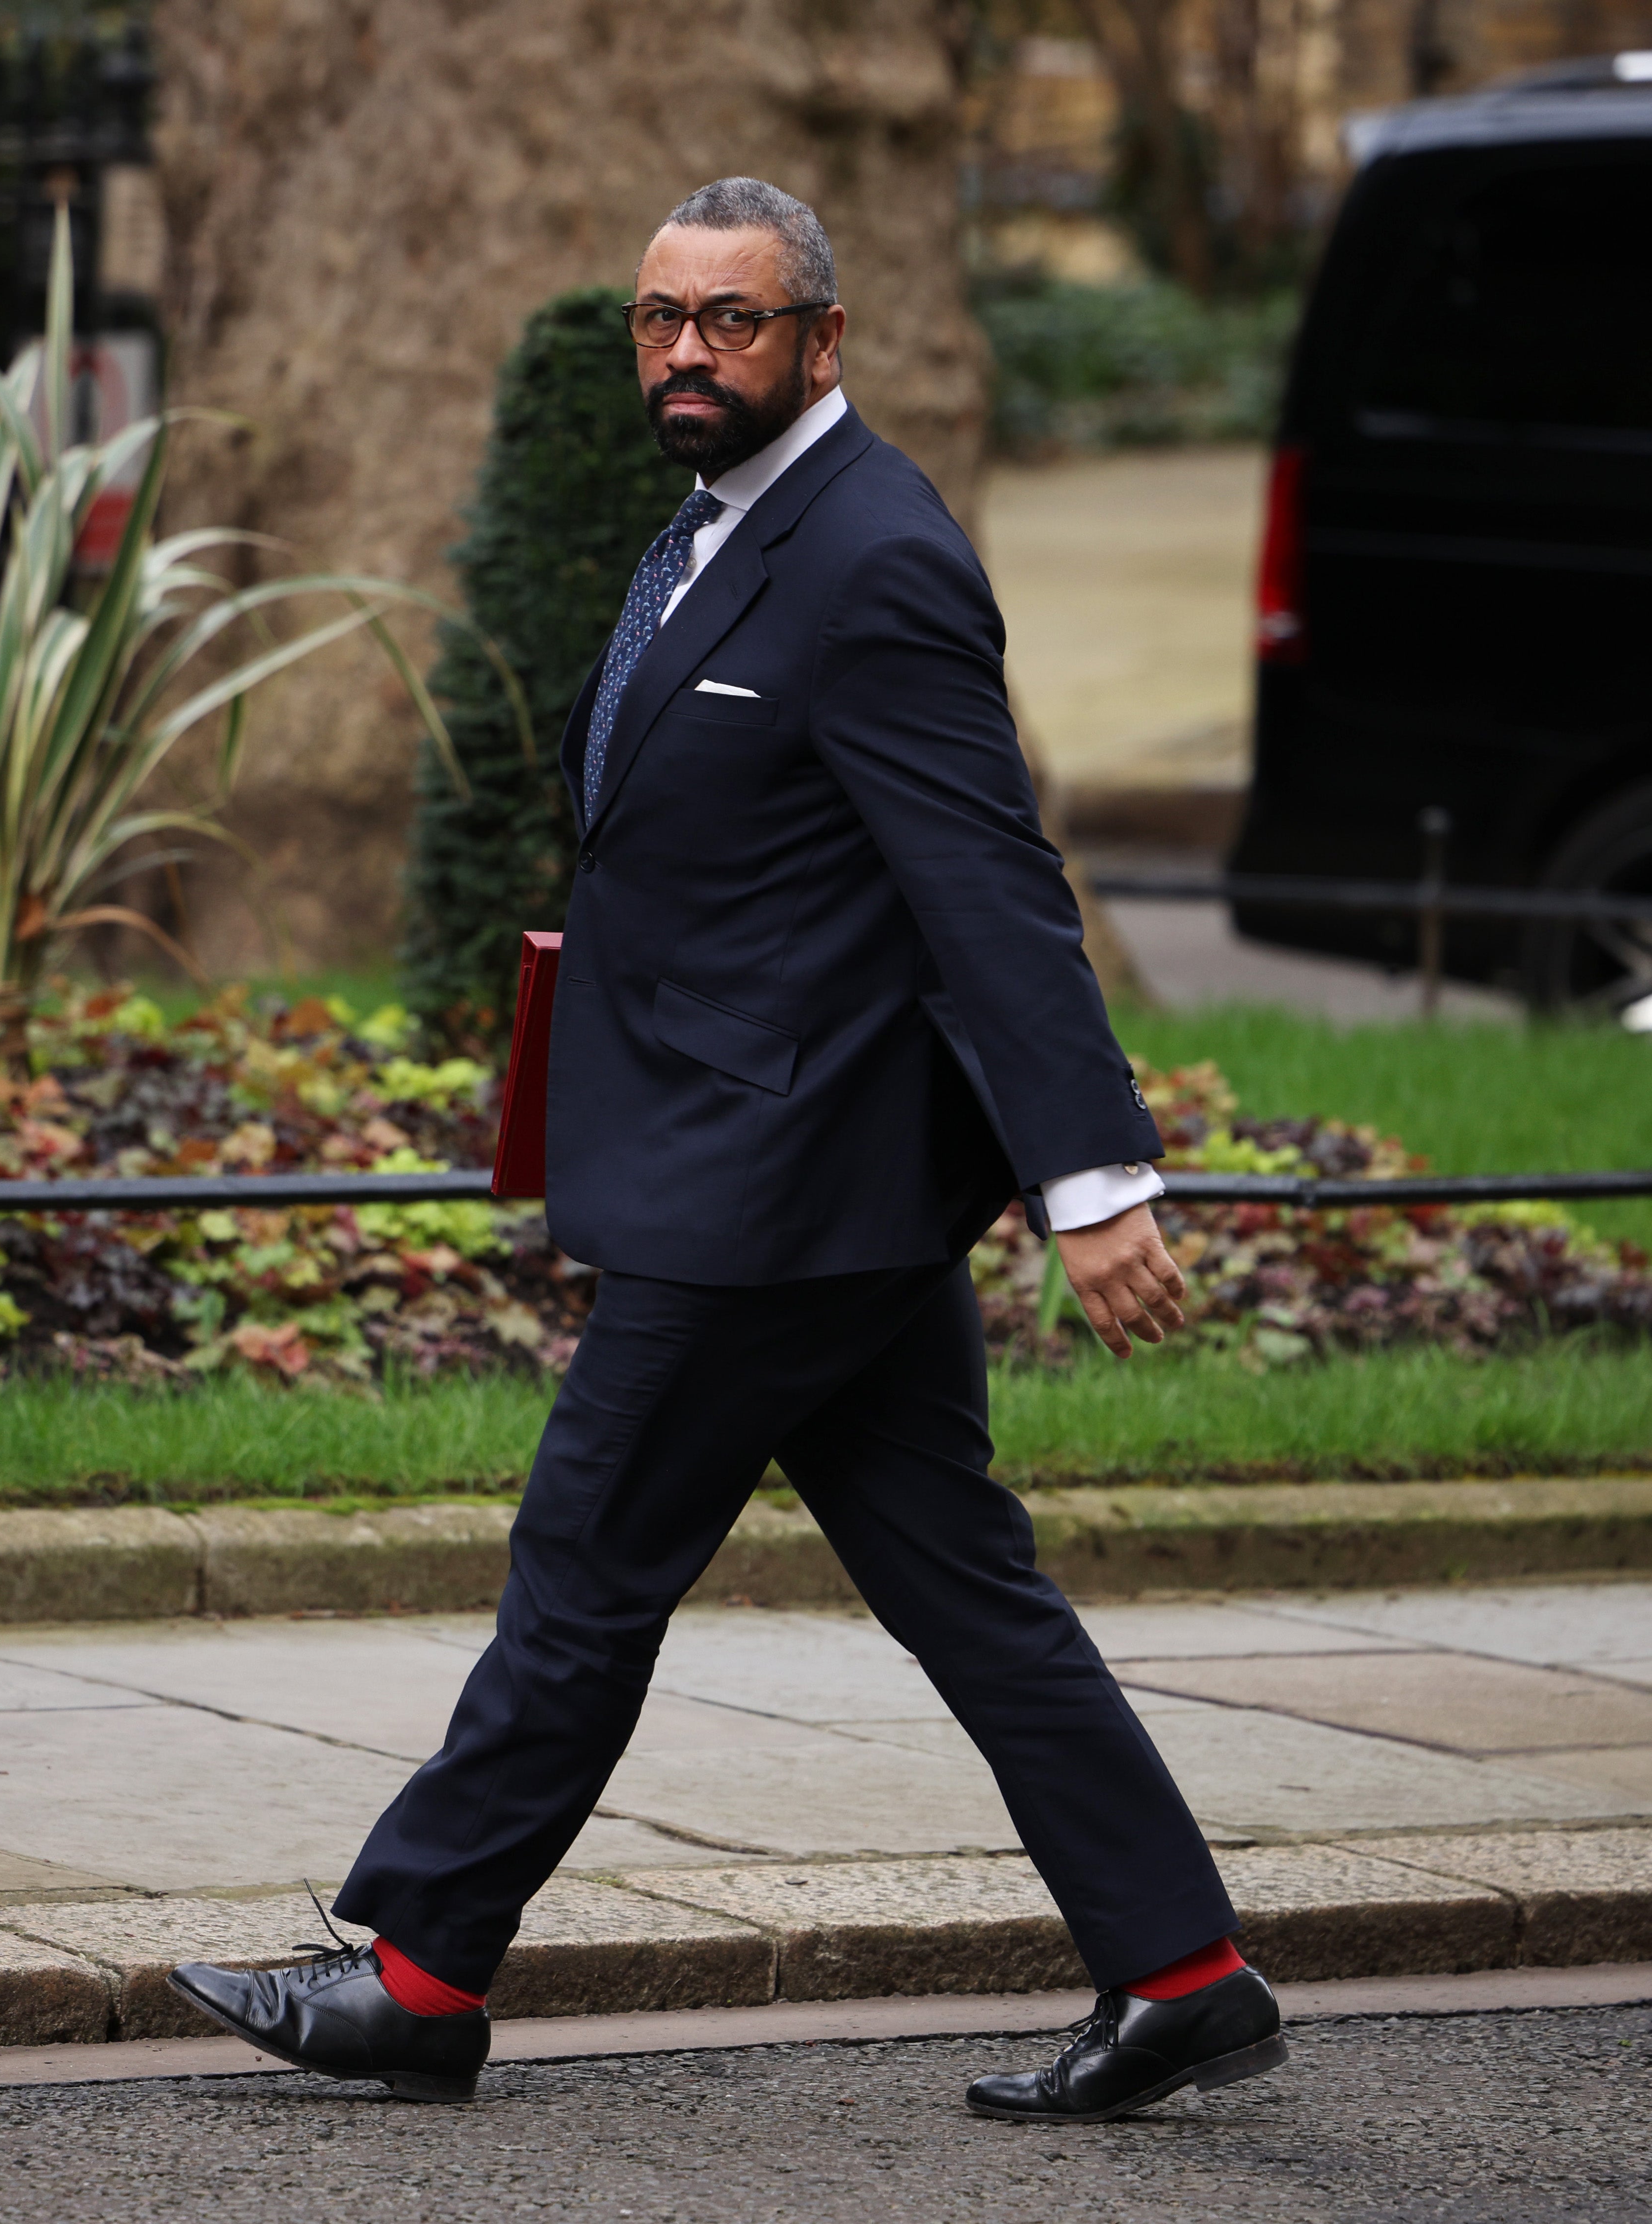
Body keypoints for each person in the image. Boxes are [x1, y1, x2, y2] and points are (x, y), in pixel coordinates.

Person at [167, 177, 1285, 2124]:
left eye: (736, 322)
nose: (690, 352)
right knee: (970, 1589)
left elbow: (991, 887)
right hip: (806, 1175)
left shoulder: (875, 557)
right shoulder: (716, 527)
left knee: (585, 1562)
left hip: (768, 1191)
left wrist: (1094, 1176)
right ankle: (1181, 1965)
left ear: (824, 341)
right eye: (663, 318)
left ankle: (422, 1970)